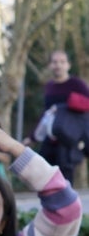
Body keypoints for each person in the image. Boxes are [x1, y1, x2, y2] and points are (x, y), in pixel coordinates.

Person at [35, 50, 89, 182]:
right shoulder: (49, 86)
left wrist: (64, 106)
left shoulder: (77, 84)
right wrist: (32, 137)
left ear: (68, 65)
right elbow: (46, 114)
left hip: (68, 138)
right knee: (43, 172)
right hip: (50, 137)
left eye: (62, 62)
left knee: (64, 180)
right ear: (50, 65)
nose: (58, 65)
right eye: (54, 62)